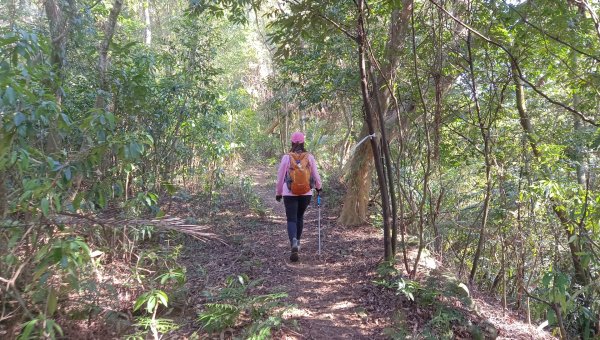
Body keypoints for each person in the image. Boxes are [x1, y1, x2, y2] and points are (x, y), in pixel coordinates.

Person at [275, 131, 322, 262]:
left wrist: (278, 192)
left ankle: (293, 242)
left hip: (289, 192)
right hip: (306, 193)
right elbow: (316, 175)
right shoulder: (309, 157)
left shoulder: (286, 157)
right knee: (299, 217)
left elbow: (280, 177)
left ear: (291, 142)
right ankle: (298, 242)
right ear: (303, 143)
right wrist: (319, 187)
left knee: (291, 219)